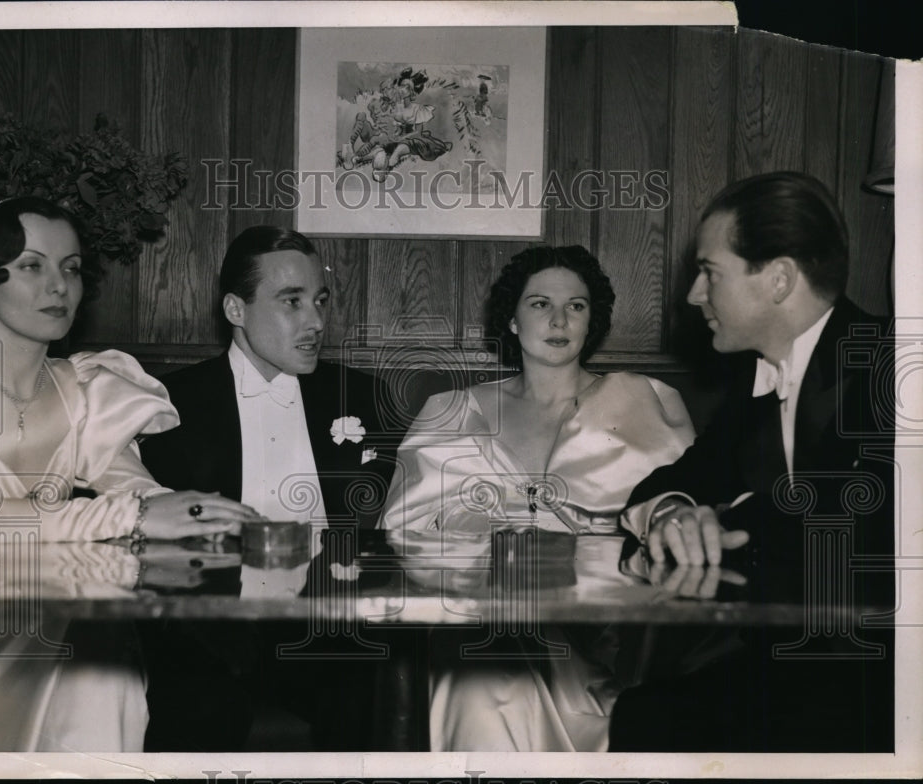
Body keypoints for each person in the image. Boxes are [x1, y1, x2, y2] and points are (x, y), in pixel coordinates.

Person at [0, 196, 257, 751]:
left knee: (102, 651)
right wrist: (137, 513)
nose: (59, 286)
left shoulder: (88, 387)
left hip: (58, 624)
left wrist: (195, 511)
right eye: (32, 266)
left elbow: (133, 486)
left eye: (70, 269)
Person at [610, 171, 894, 751]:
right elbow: (675, 481)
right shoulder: (753, 382)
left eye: (710, 272)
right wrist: (671, 512)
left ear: (780, 280)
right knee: (643, 716)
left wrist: (721, 519)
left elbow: (843, 524)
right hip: (800, 665)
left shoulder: (888, 367)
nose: (693, 294)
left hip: (887, 680)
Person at [381, 245, 696, 750]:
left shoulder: (646, 402)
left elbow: (680, 518)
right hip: (481, 616)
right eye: (539, 304)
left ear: (592, 321)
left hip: (607, 631)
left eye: (576, 305)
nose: (559, 319)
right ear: (511, 319)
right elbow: (408, 534)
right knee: (483, 665)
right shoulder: (453, 412)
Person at [138, 225, 400, 751]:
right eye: (292, 302)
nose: (316, 322)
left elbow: (388, 532)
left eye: (320, 300)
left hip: (326, 630)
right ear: (236, 309)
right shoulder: (169, 404)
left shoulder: (364, 397)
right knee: (196, 700)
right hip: (208, 630)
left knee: (367, 682)